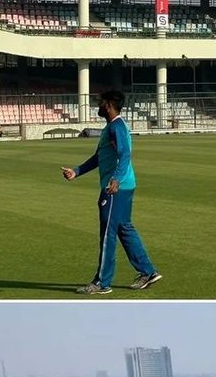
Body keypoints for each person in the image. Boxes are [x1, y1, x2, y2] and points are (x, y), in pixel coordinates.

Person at [62, 89, 160, 294]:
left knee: (108, 234)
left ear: (107, 105)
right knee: (124, 228)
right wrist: (77, 171)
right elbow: (99, 157)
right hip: (122, 186)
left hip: (116, 188)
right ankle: (148, 271)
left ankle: (102, 283)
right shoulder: (111, 127)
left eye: (100, 103)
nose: (98, 106)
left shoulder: (117, 127)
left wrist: (115, 179)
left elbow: (125, 154)